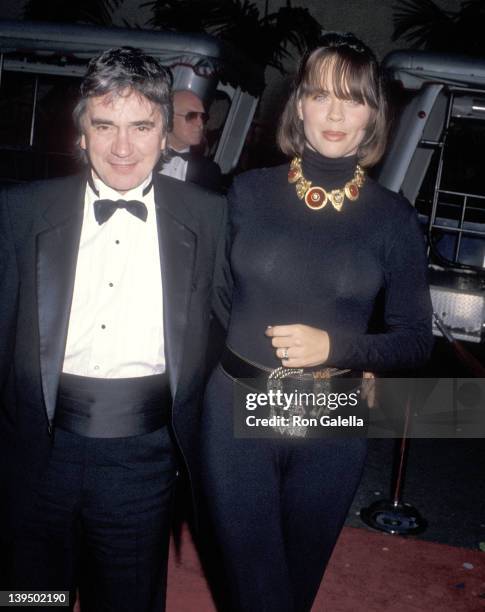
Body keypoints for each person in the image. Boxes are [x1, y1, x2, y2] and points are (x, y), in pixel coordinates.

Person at [200, 32, 434, 612]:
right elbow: (213, 301)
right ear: (298, 104)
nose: (335, 112)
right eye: (321, 95)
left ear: (373, 114)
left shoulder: (392, 218)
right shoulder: (245, 193)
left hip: (335, 416)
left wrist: (341, 347)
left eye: (352, 98)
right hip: (239, 407)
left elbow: (415, 342)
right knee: (257, 591)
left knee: (295, 590)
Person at [0, 47, 226, 611]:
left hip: (143, 460)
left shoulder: (211, 217)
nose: (122, 148)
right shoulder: (19, 211)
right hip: (35, 451)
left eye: (141, 127)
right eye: (105, 125)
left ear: (164, 132)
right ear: (81, 132)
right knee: (30, 599)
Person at [160, 89, 223, 191]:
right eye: (191, 116)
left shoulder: (209, 171)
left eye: (203, 117)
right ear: (168, 118)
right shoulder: (143, 155)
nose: (200, 124)